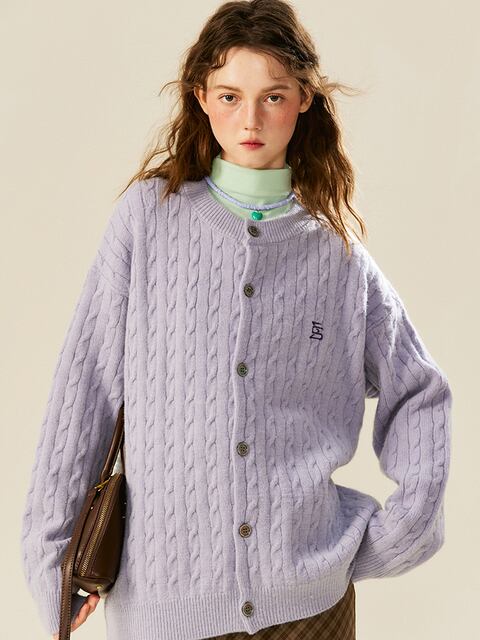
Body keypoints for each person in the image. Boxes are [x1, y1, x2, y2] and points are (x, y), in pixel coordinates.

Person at [20, 1, 452, 639]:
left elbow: (418, 389)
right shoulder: (149, 220)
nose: (250, 119)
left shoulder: (337, 257)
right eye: (230, 96)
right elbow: (84, 389)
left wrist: (407, 527)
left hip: (311, 608)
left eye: (272, 97)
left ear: (303, 100)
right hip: (168, 606)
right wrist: (52, 558)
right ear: (201, 97)